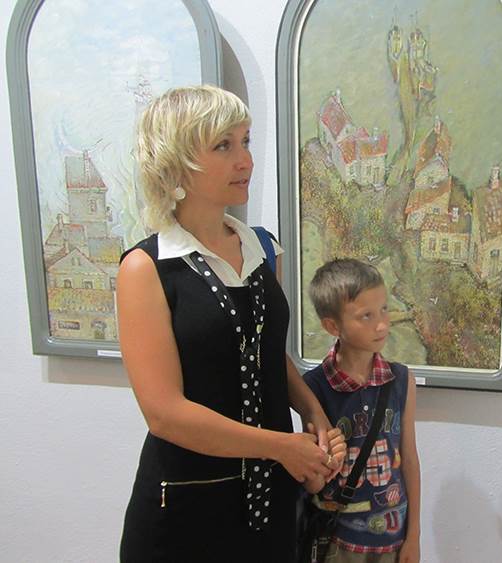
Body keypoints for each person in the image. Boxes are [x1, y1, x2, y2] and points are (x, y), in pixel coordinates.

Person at [117, 84, 346, 562]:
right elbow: (165, 414)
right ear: (176, 161)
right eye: (224, 145)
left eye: (246, 141)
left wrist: (312, 412)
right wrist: (282, 447)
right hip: (185, 510)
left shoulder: (262, 248)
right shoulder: (147, 268)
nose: (245, 160)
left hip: (270, 503)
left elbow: (265, 353)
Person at [303, 259, 421, 563]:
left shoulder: (401, 380)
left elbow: (409, 458)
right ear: (332, 326)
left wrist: (414, 535)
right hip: (338, 540)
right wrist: (323, 466)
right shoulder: (314, 387)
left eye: (384, 309)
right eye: (366, 316)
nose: (381, 324)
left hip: (392, 537)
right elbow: (313, 479)